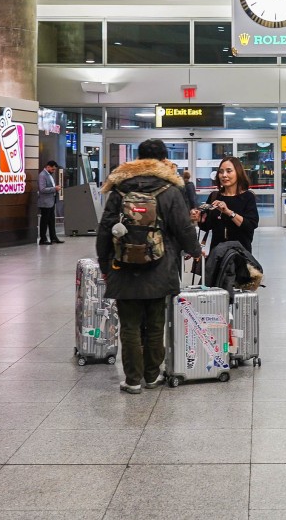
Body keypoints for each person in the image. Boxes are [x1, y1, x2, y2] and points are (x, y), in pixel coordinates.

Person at [96, 138, 201, 394]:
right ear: (164, 160)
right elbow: (183, 227)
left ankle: (132, 380)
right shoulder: (170, 190)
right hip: (160, 267)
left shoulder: (119, 189)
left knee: (130, 326)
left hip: (123, 265)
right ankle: (152, 376)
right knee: (155, 324)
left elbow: (104, 230)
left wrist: (104, 264)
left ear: (137, 159)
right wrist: (195, 251)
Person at [195, 156, 259, 252]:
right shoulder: (214, 196)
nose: (224, 175)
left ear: (238, 173)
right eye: (221, 172)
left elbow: (250, 225)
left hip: (240, 254)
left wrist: (228, 212)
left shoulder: (247, 197)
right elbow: (207, 227)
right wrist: (200, 219)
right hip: (217, 255)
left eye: (229, 171)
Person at [38, 160, 64, 245]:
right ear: (48, 167)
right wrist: (54, 189)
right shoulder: (42, 175)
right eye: (52, 169)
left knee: (51, 221)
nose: (53, 171)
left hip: (51, 201)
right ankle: (43, 239)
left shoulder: (49, 175)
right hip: (45, 203)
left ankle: (53, 237)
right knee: (44, 221)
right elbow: (42, 189)